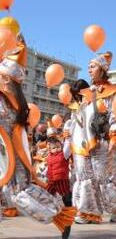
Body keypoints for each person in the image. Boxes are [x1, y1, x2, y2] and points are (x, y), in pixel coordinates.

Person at [0, 37, 74, 233]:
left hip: (10, 160)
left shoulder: (10, 104)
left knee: (19, 193)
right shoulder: (14, 102)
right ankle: (59, 213)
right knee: (16, 192)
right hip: (8, 158)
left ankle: (59, 213)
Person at [70, 52, 116, 224]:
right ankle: (90, 213)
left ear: (103, 69)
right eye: (88, 65)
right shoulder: (85, 94)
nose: (89, 69)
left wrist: (114, 138)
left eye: (93, 65)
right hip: (82, 143)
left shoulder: (112, 92)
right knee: (85, 178)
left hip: (102, 142)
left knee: (104, 178)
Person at [46, 131, 73, 239]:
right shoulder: (48, 157)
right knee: (46, 199)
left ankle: (65, 231)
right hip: (52, 184)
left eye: (58, 147)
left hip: (63, 183)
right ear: (49, 149)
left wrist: (68, 138)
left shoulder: (64, 155)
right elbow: (48, 170)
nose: (56, 149)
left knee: (67, 205)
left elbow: (67, 147)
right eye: (54, 148)